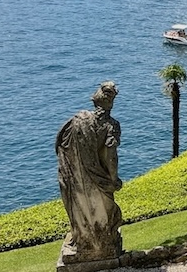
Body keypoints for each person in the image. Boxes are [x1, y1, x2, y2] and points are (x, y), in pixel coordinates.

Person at [56, 81, 124, 264]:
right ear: (111, 102)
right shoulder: (111, 125)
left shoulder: (77, 120)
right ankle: (101, 245)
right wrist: (113, 178)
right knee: (106, 215)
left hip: (76, 180)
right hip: (99, 180)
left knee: (81, 211)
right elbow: (111, 154)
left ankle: (82, 241)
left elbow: (63, 149)